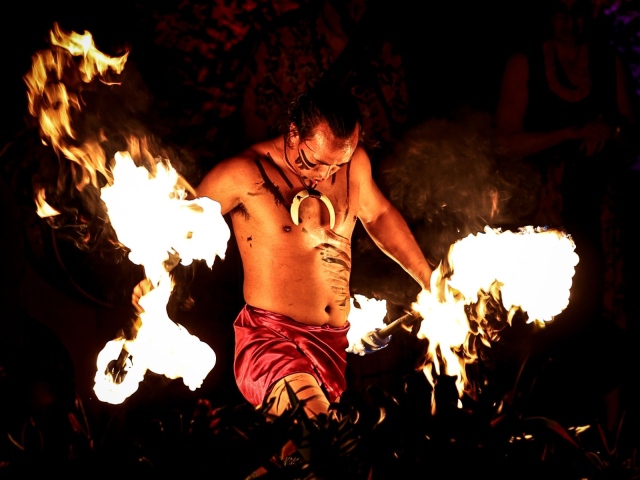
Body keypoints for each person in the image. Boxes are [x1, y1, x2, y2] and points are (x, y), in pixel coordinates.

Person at [179, 79, 433, 418]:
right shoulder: (243, 174)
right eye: (312, 162)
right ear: (294, 132)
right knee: (322, 437)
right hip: (270, 341)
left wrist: (429, 280)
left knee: (302, 457)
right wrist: (149, 283)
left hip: (332, 347)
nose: (323, 175)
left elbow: (380, 214)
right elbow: (176, 229)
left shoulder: (355, 165)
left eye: (336, 165)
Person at [494, 0, 639, 430]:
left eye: (577, 10)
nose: (569, 20)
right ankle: (539, 426)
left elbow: (631, 129)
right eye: (560, 10)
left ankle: (610, 440)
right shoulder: (526, 64)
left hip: (598, 211)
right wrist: (570, 132)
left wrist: (609, 131)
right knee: (549, 322)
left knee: (604, 317)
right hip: (546, 215)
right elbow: (504, 143)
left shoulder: (605, 61)